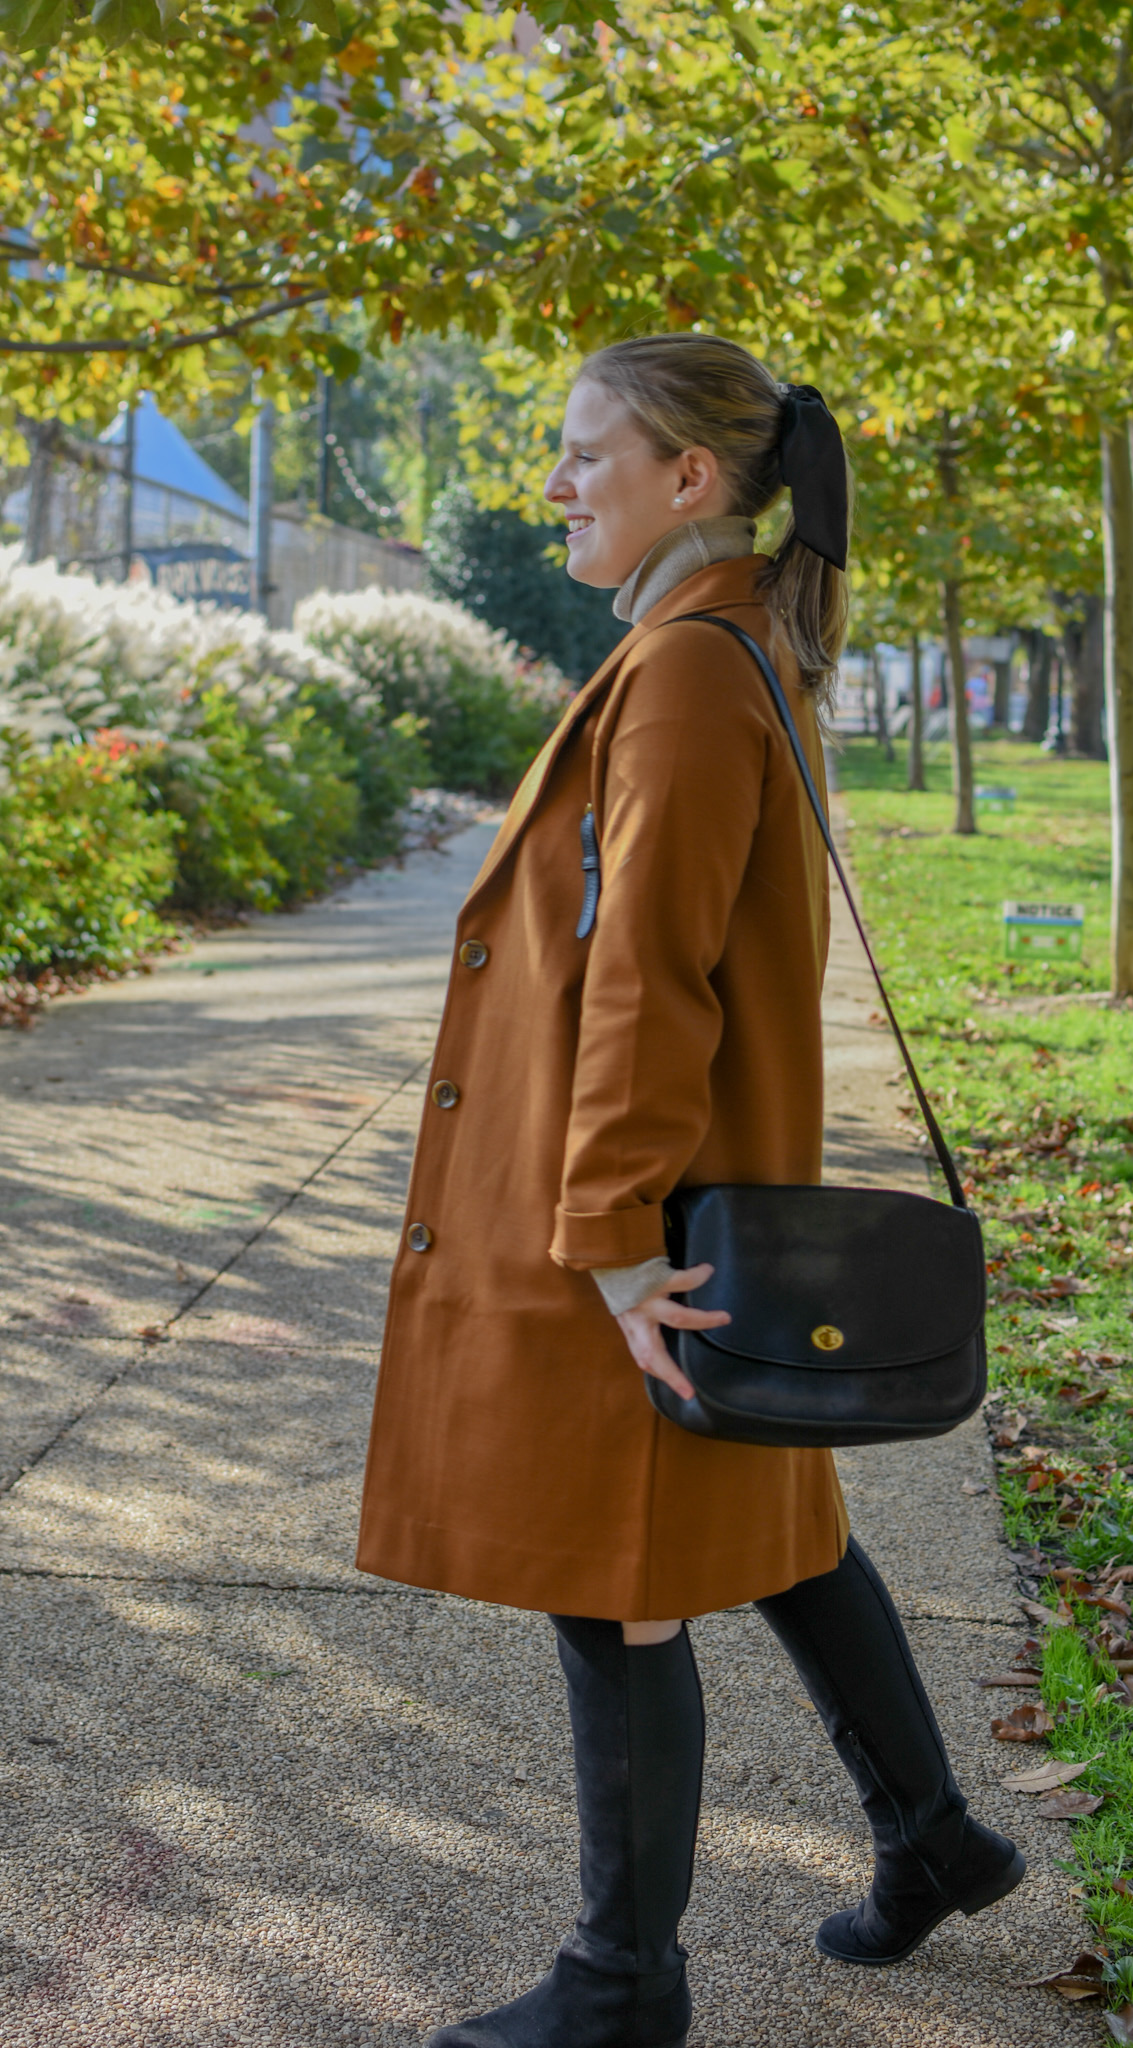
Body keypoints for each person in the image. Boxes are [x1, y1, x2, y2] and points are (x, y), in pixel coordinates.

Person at [355, 333, 1024, 2048]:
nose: (557, 482)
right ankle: (931, 1836)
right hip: (695, 1186)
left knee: (622, 1571)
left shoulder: (689, 669)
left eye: (586, 453)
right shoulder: (726, 648)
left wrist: (605, 1244)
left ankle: (618, 1989)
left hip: (648, 1212)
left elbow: (651, 976)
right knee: (776, 1527)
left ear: (689, 479)